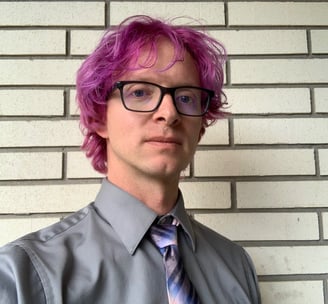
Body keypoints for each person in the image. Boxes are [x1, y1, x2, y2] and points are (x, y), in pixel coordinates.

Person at [0, 16, 261, 304]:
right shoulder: (25, 276)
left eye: (186, 98)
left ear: (200, 127)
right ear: (99, 117)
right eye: (140, 92)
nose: (169, 113)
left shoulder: (237, 267)